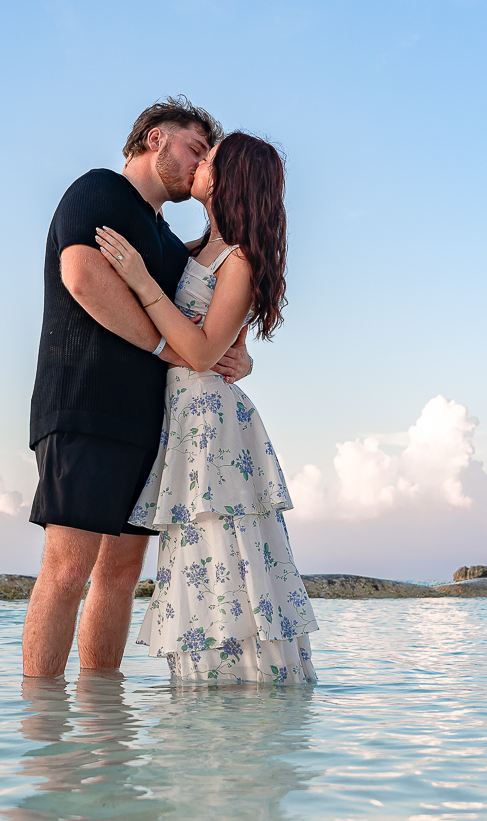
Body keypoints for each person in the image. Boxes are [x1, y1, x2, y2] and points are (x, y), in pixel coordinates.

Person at [23, 97, 252, 678]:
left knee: (121, 576)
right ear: (155, 139)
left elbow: (209, 311)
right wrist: (162, 348)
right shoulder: (99, 189)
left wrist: (239, 352)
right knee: (69, 571)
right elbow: (82, 276)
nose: (202, 165)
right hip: (85, 405)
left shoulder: (171, 244)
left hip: (153, 425)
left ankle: (104, 729)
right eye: (195, 148)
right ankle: (46, 741)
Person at [94, 132, 318, 683]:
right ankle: (204, 695)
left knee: (223, 543)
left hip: (210, 421)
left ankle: (242, 687)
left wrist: (142, 282)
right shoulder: (193, 251)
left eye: (210, 160)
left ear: (228, 180)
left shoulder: (239, 260)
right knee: (194, 549)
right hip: (183, 414)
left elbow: (198, 352)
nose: (199, 164)